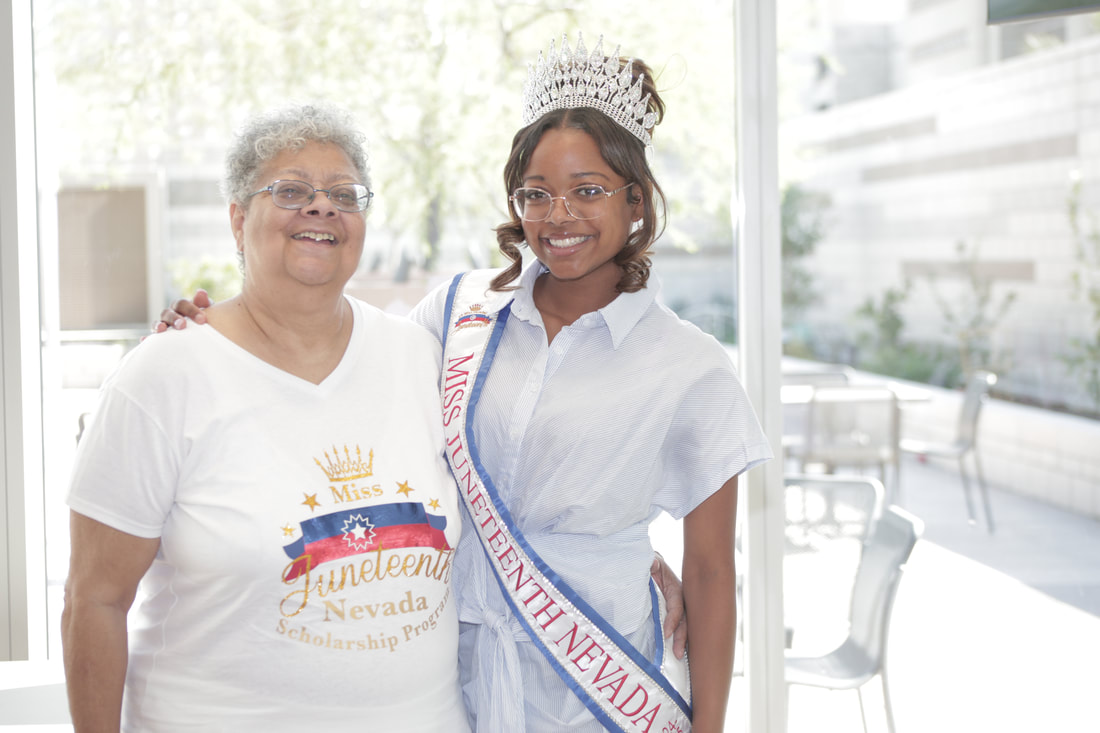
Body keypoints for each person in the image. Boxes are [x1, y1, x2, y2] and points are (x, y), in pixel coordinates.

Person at [161, 33, 767, 733]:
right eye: (536, 194)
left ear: (636, 201)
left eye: (589, 191)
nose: (559, 215)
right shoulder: (459, 312)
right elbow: (339, 358)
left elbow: (715, 572)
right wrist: (220, 330)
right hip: (457, 671)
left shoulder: (691, 366)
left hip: (599, 682)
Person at [61, 103, 471, 732]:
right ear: (236, 219)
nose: (321, 207)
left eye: (344, 194)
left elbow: (510, 486)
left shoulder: (422, 357)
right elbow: (93, 600)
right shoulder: (163, 376)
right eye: (290, 190)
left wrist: (636, 558)